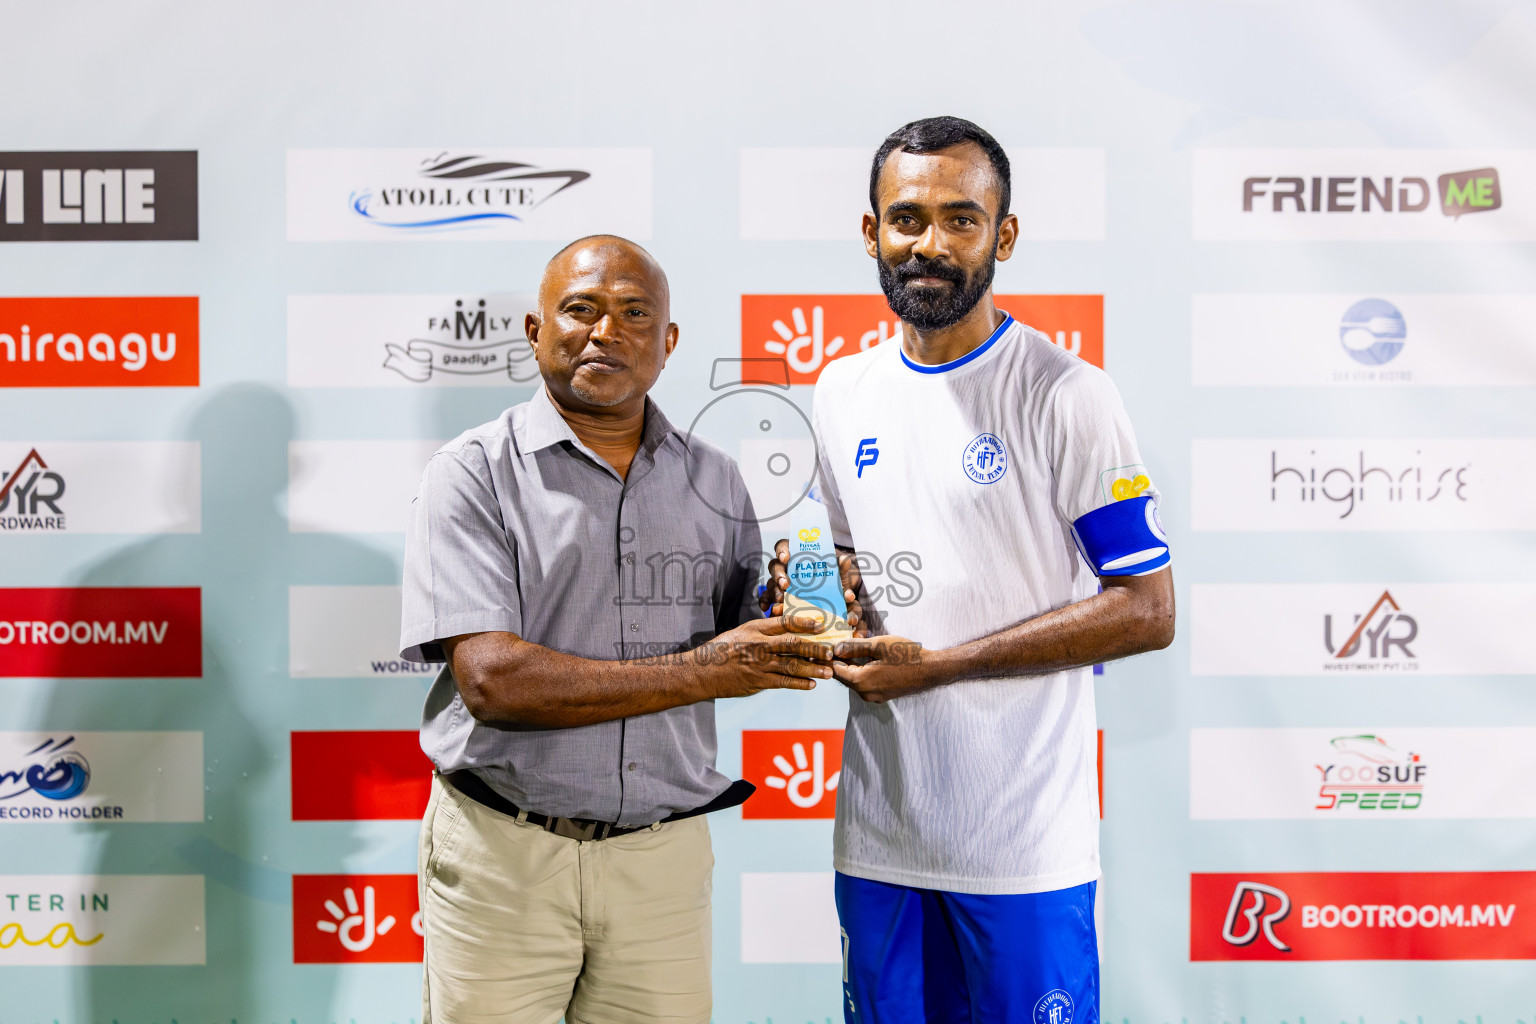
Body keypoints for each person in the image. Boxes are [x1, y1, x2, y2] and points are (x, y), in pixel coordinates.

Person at [769, 117, 1175, 1022]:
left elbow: (1147, 611)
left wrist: (941, 665)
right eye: (907, 219)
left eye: (961, 219)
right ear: (872, 234)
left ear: (1005, 235)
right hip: (880, 839)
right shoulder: (841, 389)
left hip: (1023, 852)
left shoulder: (1065, 393)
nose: (931, 245)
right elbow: (842, 563)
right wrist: (810, 605)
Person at [400, 235, 831, 1024]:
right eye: (581, 308)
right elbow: (493, 682)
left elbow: (742, 634)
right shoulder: (470, 473)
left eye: (635, 314)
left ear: (667, 346)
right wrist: (710, 670)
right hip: (506, 851)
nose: (607, 331)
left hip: (660, 862)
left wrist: (793, 614)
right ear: (535, 331)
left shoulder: (714, 476)